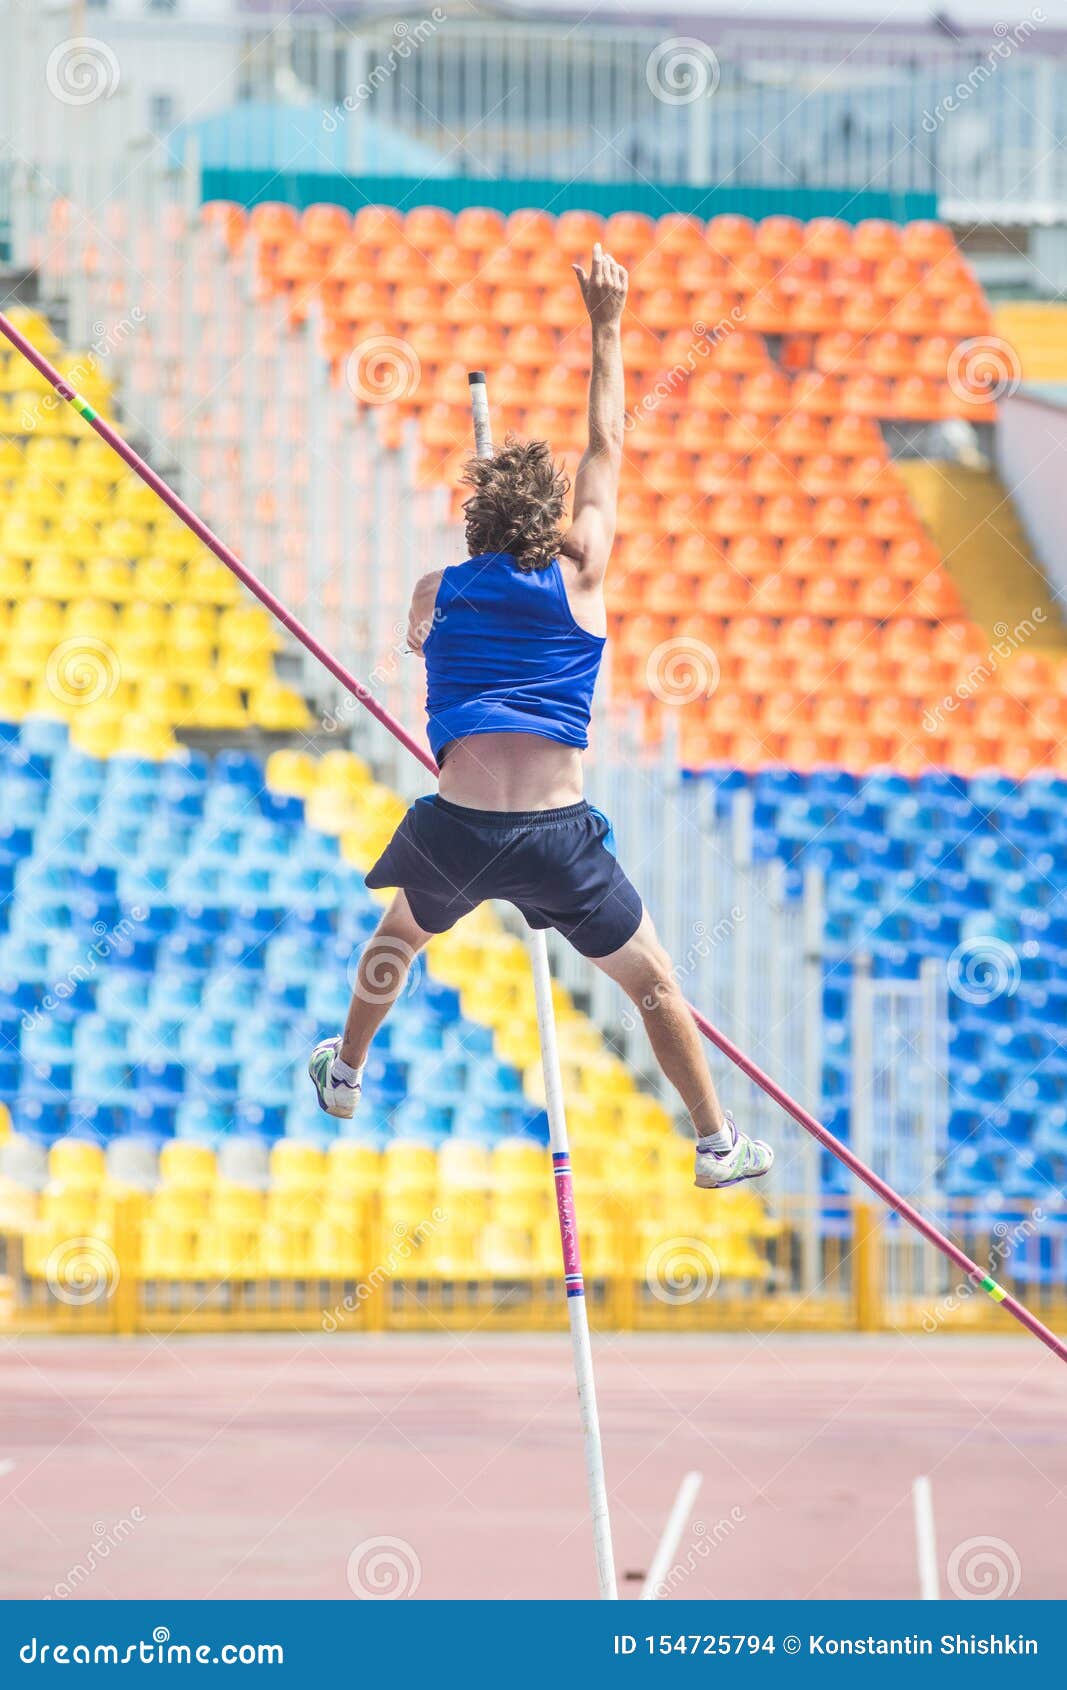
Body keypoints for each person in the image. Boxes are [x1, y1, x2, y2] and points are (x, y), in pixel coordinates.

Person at [310, 244, 773, 1189]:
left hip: (460, 826)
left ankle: (346, 1073)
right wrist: (607, 323)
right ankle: (717, 1143)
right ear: (553, 523)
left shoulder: (434, 588)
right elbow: (606, 447)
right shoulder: (584, 574)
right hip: (559, 838)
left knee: (397, 941)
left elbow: (424, 634)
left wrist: (467, 578)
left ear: (474, 524)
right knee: (652, 984)